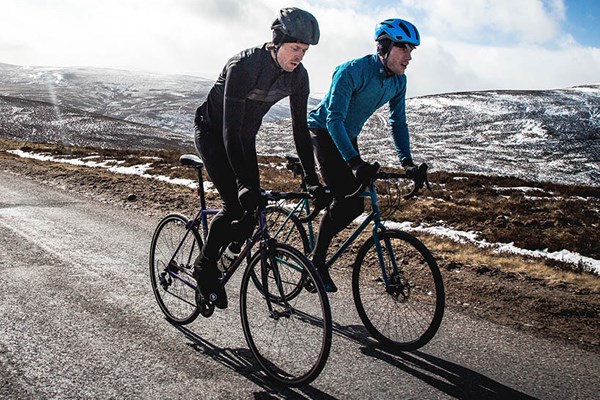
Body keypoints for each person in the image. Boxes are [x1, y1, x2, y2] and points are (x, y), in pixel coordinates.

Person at [192, 7, 326, 309]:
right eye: (295, 48)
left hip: (244, 138)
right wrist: (242, 184)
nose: (299, 56)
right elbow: (229, 131)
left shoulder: (298, 78)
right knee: (234, 204)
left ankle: (227, 258)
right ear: (277, 42)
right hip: (214, 134)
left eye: (304, 51)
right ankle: (205, 265)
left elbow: (300, 132)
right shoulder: (243, 66)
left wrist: (312, 179)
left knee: (254, 210)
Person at [306, 18, 421, 292]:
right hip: (324, 131)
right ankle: (316, 261)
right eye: (403, 48)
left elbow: (398, 123)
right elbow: (334, 119)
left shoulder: (398, 82)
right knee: (348, 202)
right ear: (384, 47)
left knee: (355, 200)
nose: (408, 57)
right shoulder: (352, 71)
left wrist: (408, 163)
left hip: (348, 134)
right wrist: (354, 162)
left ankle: (327, 214)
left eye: (412, 51)